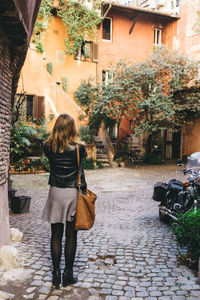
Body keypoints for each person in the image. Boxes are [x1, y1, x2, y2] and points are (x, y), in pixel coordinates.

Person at [42, 113, 87, 289]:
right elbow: (81, 171)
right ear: (72, 128)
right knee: (71, 235)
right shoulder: (79, 149)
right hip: (71, 193)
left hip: (55, 192)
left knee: (55, 234)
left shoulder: (47, 146)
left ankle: (55, 275)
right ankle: (68, 274)